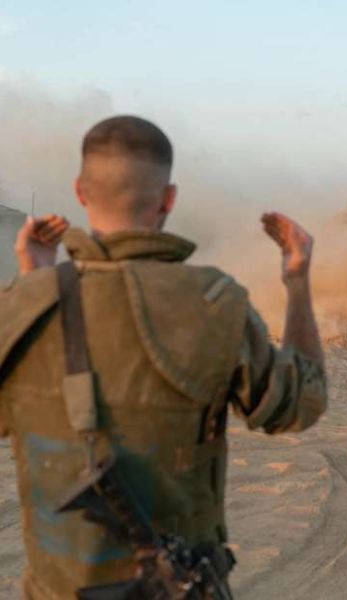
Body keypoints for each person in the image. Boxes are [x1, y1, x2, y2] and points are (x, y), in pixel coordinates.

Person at [0, 116, 327, 599]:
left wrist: (34, 284)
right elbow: (301, 403)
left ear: (80, 192)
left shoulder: (17, 307)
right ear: (169, 199)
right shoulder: (215, 303)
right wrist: (297, 282)